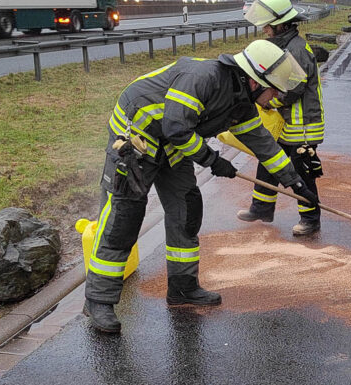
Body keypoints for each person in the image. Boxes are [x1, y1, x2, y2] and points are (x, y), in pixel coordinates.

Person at [83, 40, 319, 333]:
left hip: (172, 143)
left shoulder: (242, 103)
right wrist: (212, 160)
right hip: (137, 137)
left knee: (187, 208)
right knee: (125, 217)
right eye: (274, 89)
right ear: (254, 80)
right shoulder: (204, 77)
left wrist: (293, 180)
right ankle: (99, 300)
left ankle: (183, 287)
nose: (277, 96)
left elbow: (262, 142)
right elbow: (176, 126)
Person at [237, 0, 326, 236]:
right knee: (269, 161)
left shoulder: (296, 49)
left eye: (268, 26)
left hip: (303, 125)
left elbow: (294, 88)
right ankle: (261, 208)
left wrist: (267, 102)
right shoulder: (282, 46)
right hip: (286, 123)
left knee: (302, 172)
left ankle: (310, 219)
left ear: (282, 25)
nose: (264, 30)